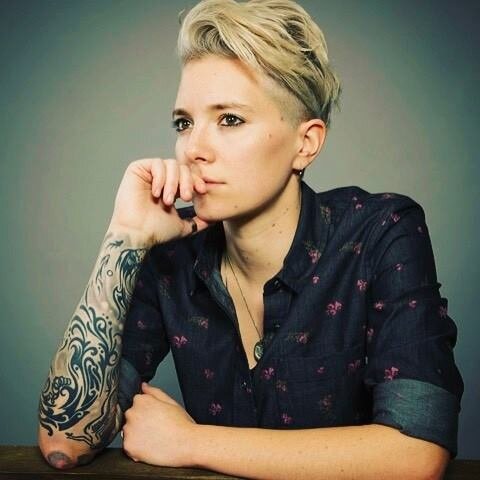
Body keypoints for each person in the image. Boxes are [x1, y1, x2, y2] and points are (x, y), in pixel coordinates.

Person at [37, 0, 464, 478]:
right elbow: (64, 441)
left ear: (305, 143)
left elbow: (416, 453)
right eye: (184, 123)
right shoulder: (171, 254)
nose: (193, 149)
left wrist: (191, 442)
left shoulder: (381, 233)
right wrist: (124, 238)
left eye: (230, 119)